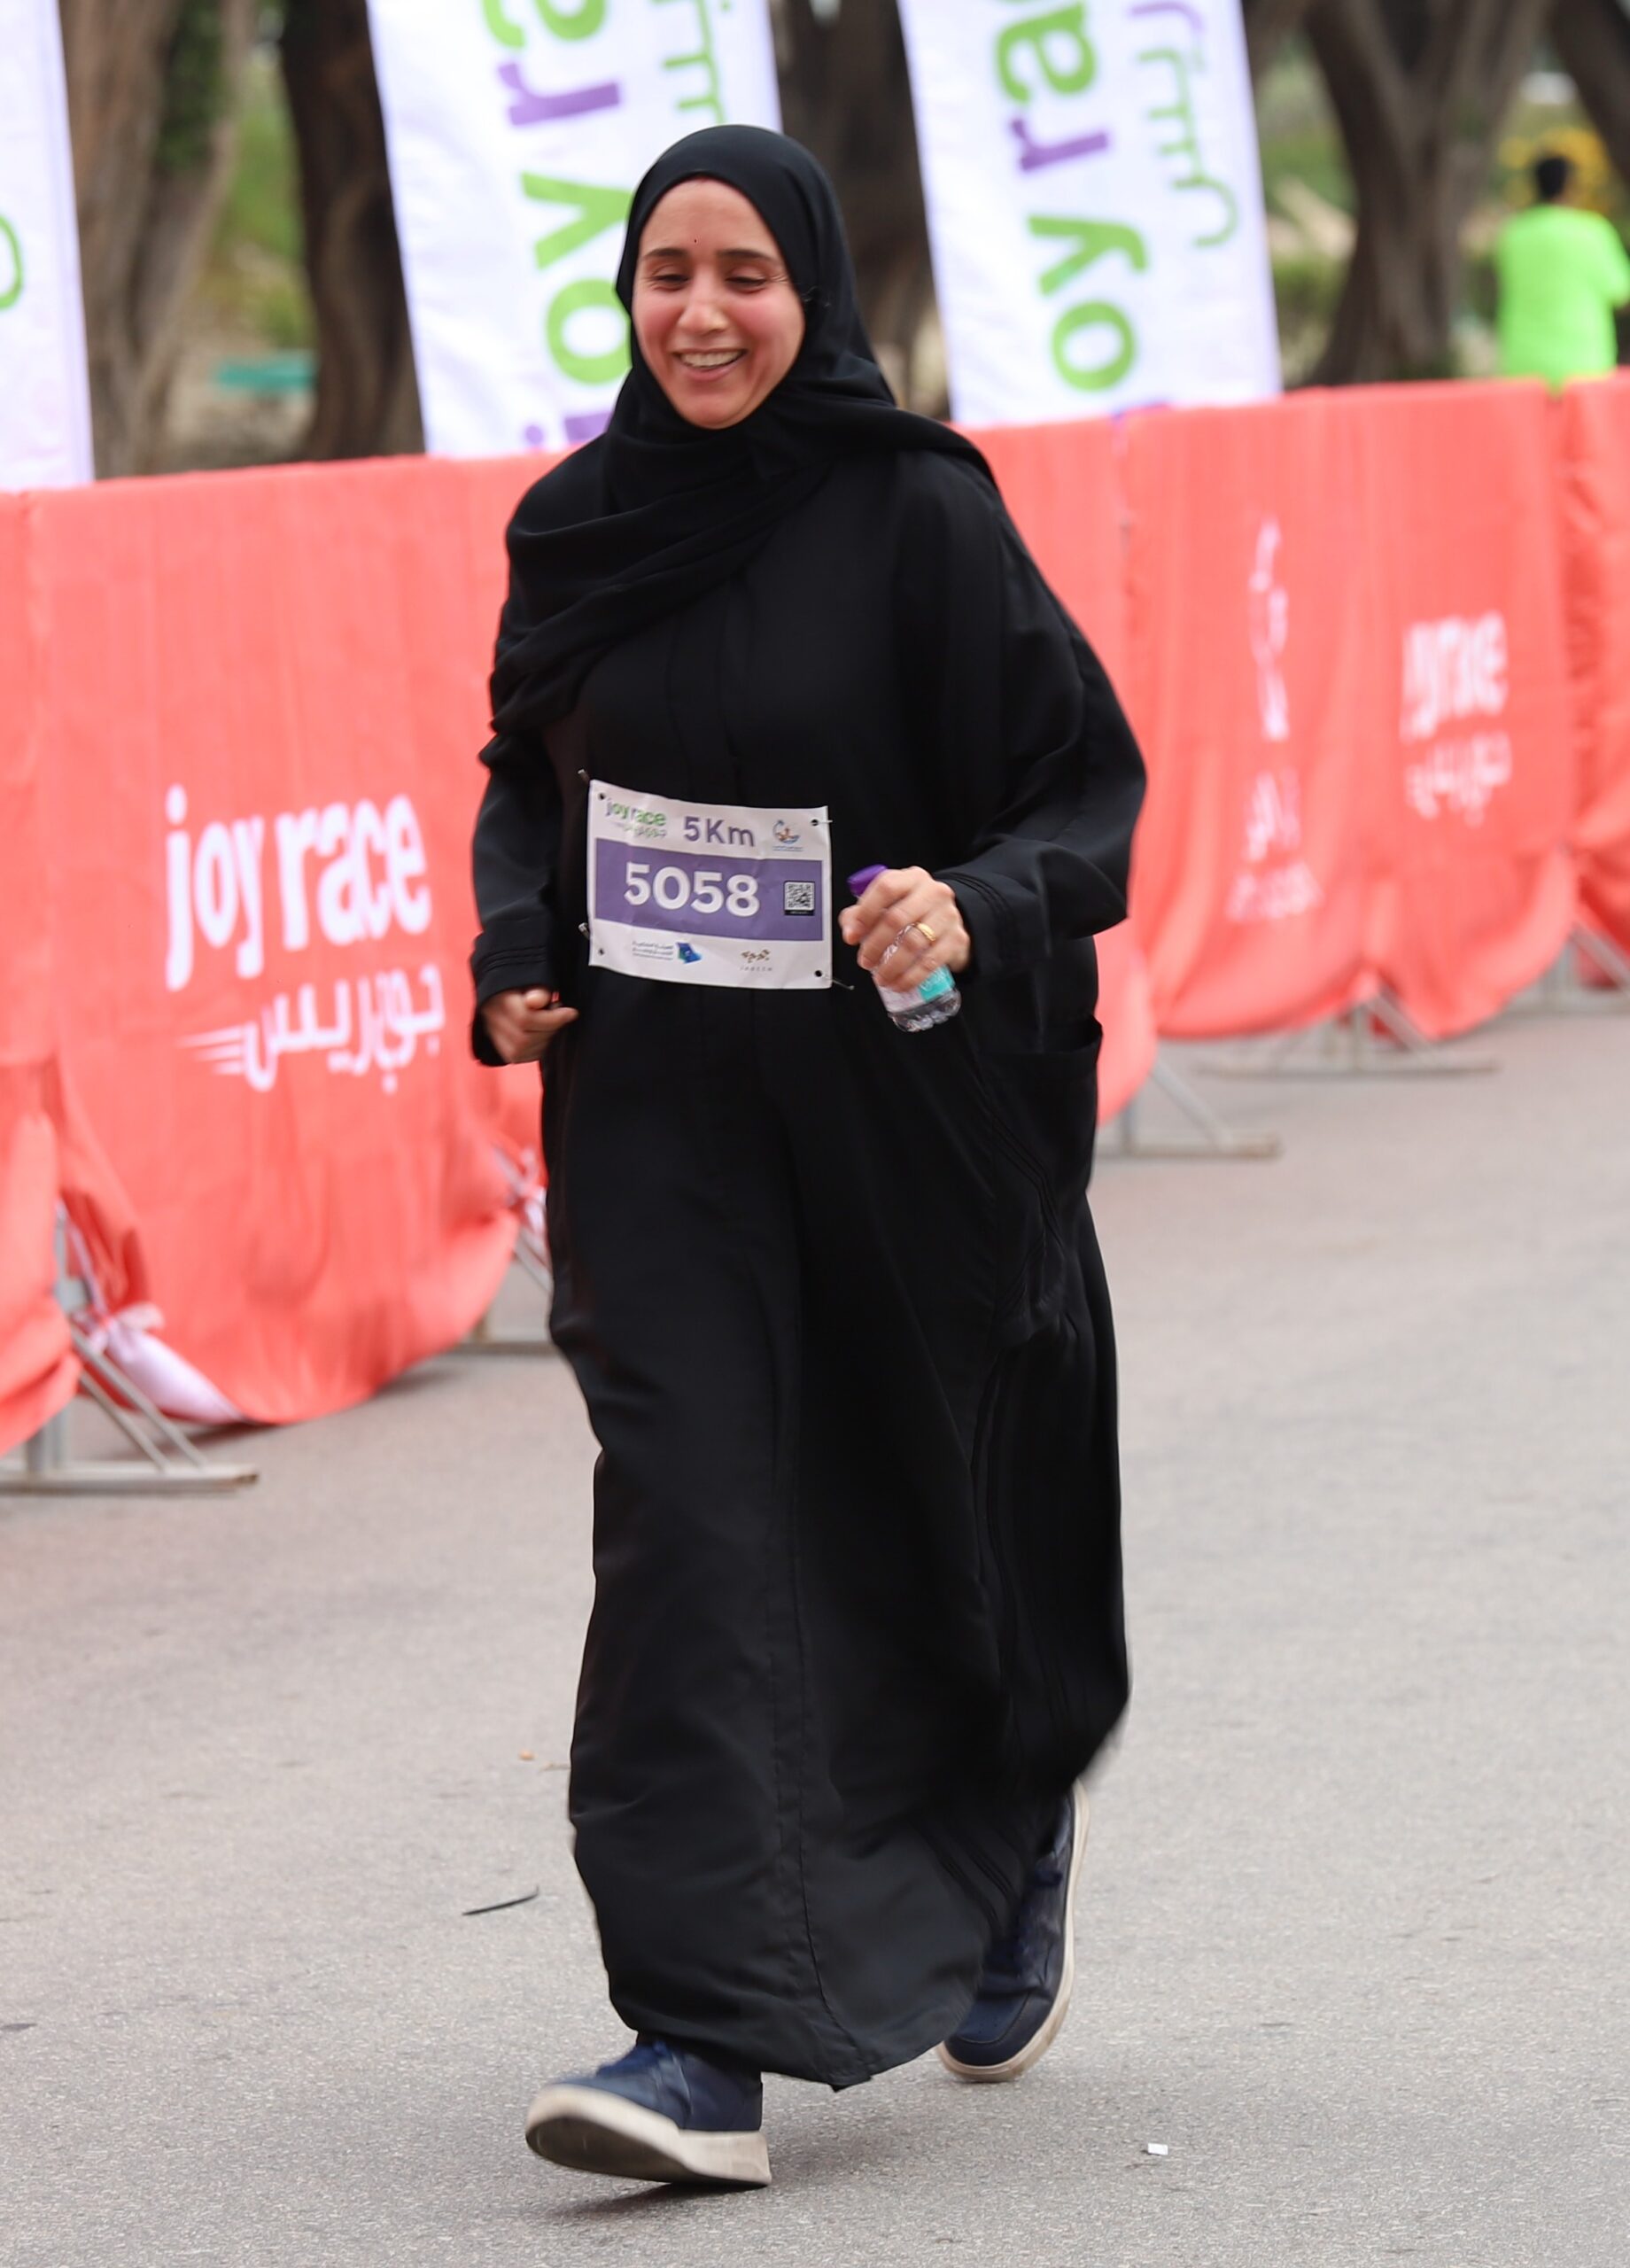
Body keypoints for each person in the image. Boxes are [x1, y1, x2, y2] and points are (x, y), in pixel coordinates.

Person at [469, 125, 1145, 2191]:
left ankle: (998, 1824)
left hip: (897, 1120)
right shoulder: (575, 525)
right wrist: (509, 957)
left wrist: (968, 900)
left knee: (910, 1508)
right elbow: (526, 780)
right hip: (661, 1129)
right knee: (689, 1535)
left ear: (813, 290)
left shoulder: (917, 514)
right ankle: (698, 2035)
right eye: (664, 272)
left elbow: (1080, 792)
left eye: (742, 273)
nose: (698, 313)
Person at [1496, 151, 1630, 390]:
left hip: (1523, 362)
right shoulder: (1592, 232)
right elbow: (1621, 292)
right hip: (1584, 361)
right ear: (1571, 185)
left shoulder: (1514, 235)